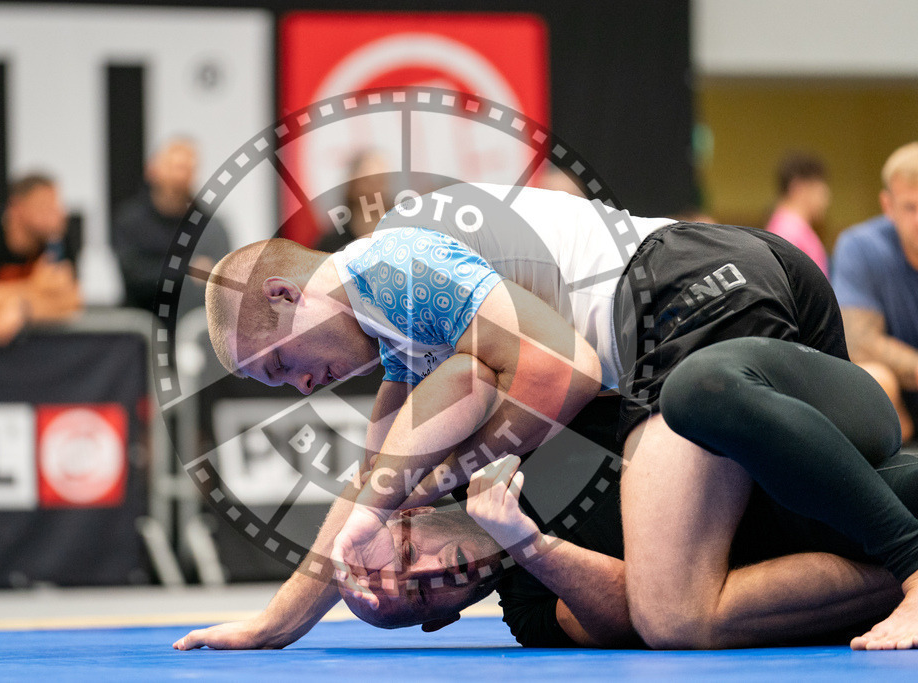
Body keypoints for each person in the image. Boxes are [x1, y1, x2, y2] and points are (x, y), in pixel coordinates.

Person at [180, 183, 918, 651]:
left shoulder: (386, 268)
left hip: (686, 294)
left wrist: (441, 474)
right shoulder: (401, 332)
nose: (302, 385)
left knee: (674, 612)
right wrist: (281, 620)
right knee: (834, 499)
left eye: (280, 365)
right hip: (745, 283)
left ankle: (910, 565)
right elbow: (371, 485)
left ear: (285, 296)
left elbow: (566, 370)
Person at [832, 142, 918, 444]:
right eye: (910, 207)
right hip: (897, 405)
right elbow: (860, 343)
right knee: (876, 377)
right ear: (888, 206)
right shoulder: (860, 246)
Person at [0, 173, 83, 347]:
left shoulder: (57, 238)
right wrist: (35, 288)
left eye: (57, 206)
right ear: (17, 208)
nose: (57, 215)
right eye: (45, 207)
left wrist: (22, 310)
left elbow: (71, 301)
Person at [113, 137, 231, 315]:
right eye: (174, 167)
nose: (180, 176)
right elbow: (134, 277)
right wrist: (187, 269)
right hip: (141, 326)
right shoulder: (130, 221)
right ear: (152, 170)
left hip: (193, 327)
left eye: (187, 169)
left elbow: (220, 282)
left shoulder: (211, 227)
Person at [765, 152, 831, 276]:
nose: (826, 198)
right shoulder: (787, 233)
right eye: (820, 188)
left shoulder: (792, 229)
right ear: (798, 187)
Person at [315, 150, 392, 253]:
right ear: (353, 185)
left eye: (380, 181)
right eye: (367, 182)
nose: (374, 190)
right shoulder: (332, 243)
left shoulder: (397, 236)